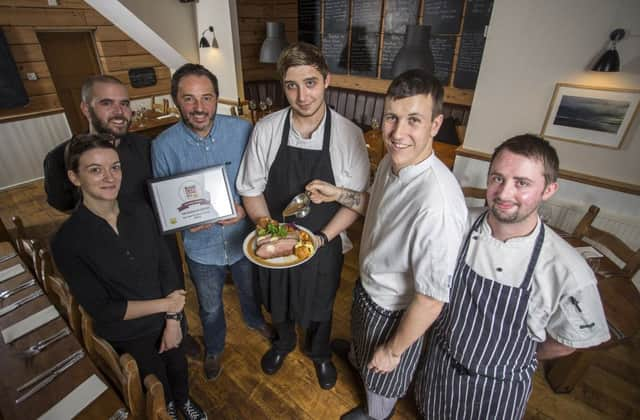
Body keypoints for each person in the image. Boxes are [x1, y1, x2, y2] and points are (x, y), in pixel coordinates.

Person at [305, 69, 468, 418]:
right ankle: (360, 356)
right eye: (392, 117)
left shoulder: (437, 204)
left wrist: (393, 351)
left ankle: (376, 413)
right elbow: (374, 206)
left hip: (395, 311)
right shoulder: (392, 164)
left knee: (383, 377)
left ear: (435, 125)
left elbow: (431, 300)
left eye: (413, 120)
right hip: (369, 288)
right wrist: (338, 194)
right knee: (365, 351)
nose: (397, 133)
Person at [414, 134, 610, 419]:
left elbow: (569, 340)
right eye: (497, 178)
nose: (504, 193)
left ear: (549, 189)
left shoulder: (567, 269)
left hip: (498, 389)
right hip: (439, 364)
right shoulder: (458, 224)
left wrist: (514, 359)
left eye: (522, 183)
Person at [236, 42, 369, 390]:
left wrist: (322, 238)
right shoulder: (266, 129)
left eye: (310, 82)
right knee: (277, 297)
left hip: (324, 238)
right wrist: (270, 231)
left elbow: (356, 201)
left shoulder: (348, 135)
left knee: (321, 303)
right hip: (276, 235)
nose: (302, 95)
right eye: (292, 85)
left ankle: (320, 352)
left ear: (326, 80)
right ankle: (283, 343)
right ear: (283, 86)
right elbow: (251, 188)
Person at [42, 75, 200, 358]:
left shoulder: (146, 147)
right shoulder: (59, 158)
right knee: (127, 315)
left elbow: (169, 191)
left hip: (157, 243)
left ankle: (180, 332)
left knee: (173, 292)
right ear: (85, 109)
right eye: (106, 103)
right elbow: (62, 205)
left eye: (124, 104)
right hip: (108, 250)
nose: (119, 111)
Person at [51, 134, 207, 420]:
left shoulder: (142, 211)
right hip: (129, 334)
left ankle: (183, 400)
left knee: (178, 367)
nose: (109, 177)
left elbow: (167, 266)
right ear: (75, 177)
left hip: (170, 317)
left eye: (115, 167)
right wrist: (167, 306)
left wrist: (173, 320)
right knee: (155, 385)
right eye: (95, 170)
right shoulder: (66, 241)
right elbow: (103, 309)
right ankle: (167, 409)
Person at [151, 64, 272, 381]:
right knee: (210, 306)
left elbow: (259, 180)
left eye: (206, 97)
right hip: (201, 247)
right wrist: (183, 223)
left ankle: (254, 320)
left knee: (250, 288)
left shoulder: (243, 130)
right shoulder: (162, 146)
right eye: (189, 99)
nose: (199, 107)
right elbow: (166, 203)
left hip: (244, 239)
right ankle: (215, 347)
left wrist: (246, 211)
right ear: (176, 100)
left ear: (217, 98)